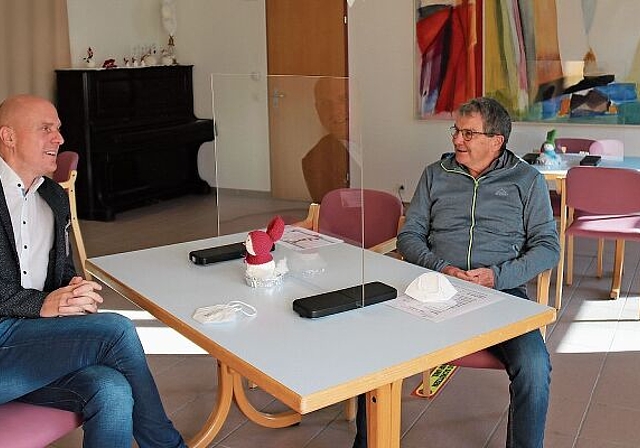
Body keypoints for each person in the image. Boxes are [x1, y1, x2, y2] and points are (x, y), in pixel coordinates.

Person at [353, 97, 559, 448]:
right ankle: (367, 443)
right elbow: (410, 234)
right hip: (433, 289)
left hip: (501, 294)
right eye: (456, 131)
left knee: (535, 366)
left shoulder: (527, 181)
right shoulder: (436, 174)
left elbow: (547, 247)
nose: (457, 140)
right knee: (374, 346)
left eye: (469, 133)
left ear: (497, 141)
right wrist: (441, 268)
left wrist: (497, 276)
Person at [0, 95, 187, 448]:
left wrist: (72, 290)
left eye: (58, 129)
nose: (59, 138)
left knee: (111, 389)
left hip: (32, 343)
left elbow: (60, 272)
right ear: (8, 137)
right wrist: (43, 305)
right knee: (115, 330)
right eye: (46, 129)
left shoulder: (53, 197)